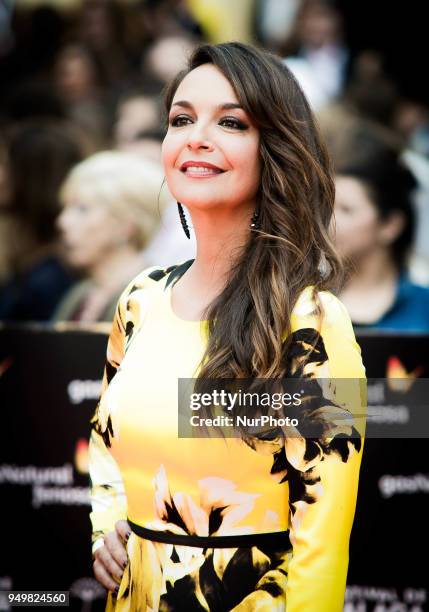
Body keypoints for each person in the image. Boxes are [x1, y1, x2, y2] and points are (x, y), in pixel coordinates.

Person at [89, 42, 366, 611]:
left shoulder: (313, 322)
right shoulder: (140, 300)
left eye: (231, 122)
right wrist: (110, 527)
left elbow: (322, 536)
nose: (196, 136)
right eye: (181, 119)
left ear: (276, 149)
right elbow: (106, 442)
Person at [54, 151, 170, 323]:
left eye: (82, 209)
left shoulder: (154, 296)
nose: (63, 221)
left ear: (126, 225)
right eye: (66, 208)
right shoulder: (79, 295)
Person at [332, 127, 429, 331]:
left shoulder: (422, 310)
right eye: (327, 208)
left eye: (346, 210)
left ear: (390, 225)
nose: (330, 222)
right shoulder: (309, 304)